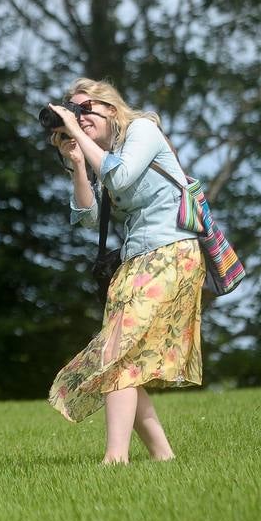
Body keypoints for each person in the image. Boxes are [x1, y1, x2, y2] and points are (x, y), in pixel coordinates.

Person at [45, 78, 205, 464]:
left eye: (85, 110)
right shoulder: (102, 154)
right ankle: (163, 456)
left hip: (171, 252)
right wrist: (78, 165)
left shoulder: (142, 131)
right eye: (73, 112)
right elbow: (87, 218)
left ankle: (115, 458)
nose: (78, 120)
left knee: (116, 354)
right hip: (136, 261)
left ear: (111, 109)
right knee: (123, 358)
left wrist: (78, 135)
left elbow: (121, 175)